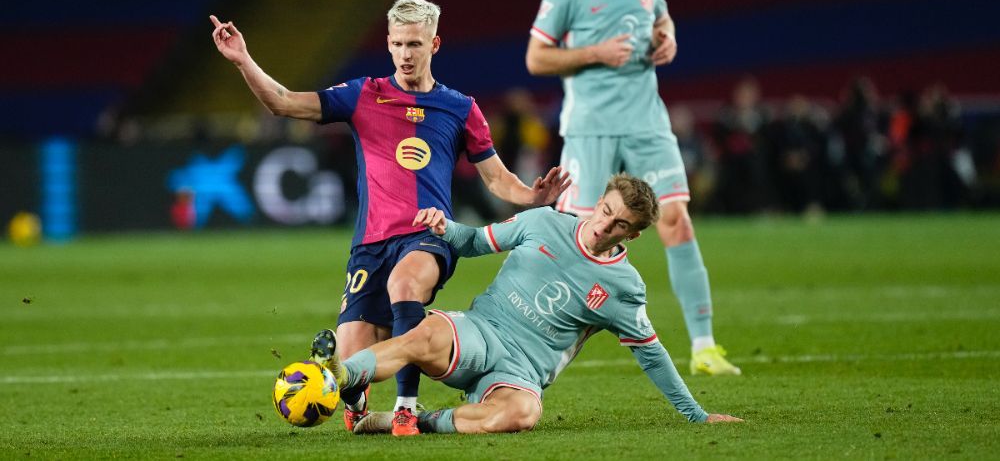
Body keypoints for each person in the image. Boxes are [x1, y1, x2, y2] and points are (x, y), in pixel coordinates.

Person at [209, 0, 570, 436]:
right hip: (370, 246)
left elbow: (496, 179)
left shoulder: (460, 108)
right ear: (388, 42)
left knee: (404, 285)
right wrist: (243, 59)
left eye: (415, 43)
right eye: (398, 43)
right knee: (354, 355)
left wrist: (531, 195)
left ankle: (406, 409)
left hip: (429, 234)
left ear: (434, 44)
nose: (405, 53)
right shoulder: (364, 94)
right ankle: (355, 401)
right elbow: (283, 103)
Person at [316, 173, 744, 434]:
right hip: (481, 333)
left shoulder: (624, 288)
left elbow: (652, 356)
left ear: (631, 235)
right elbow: (475, 242)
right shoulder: (544, 222)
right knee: (423, 333)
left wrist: (697, 416)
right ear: (599, 202)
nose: (604, 226)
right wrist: (445, 226)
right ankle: (338, 375)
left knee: (522, 414)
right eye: (606, 211)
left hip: (520, 373)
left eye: (620, 225)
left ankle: (413, 422)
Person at [524, 0, 740, 375]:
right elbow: (537, 59)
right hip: (590, 127)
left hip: (647, 122)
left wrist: (669, 35)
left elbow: (661, 20)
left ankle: (704, 347)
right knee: (578, 240)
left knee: (676, 220)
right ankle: (530, 343)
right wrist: (595, 52)